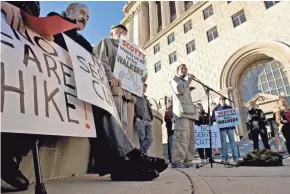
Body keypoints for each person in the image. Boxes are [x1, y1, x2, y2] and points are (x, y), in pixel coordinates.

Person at [49, 5, 168, 181]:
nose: (85, 19)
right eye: (82, 13)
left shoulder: (83, 41)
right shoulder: (55, 20)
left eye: (88, 17)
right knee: (103, 111)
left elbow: (93, 60)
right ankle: (130, 159)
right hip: (59, 84)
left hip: (84, 91)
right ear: (68, 11)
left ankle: (128, 160)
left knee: (104, 111)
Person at [94, 24, 132, 133]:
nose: (122, 33)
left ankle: (119, 149)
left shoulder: (127, 52)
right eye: (118, 31)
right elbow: (102, 60)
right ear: (112, 33)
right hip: (111, 86)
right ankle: (112, 149)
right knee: (113, 121)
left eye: (124, 32)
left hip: (124, 91)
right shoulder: (106, 42)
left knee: (123, 122)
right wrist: (111, 77)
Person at [170, 64, 197, 168]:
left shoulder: (185, 82)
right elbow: (179, 90)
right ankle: (177, 161)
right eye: (182, 68)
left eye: (186, 68)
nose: (185, 70)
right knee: (181, 138)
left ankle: (187, 160)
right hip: (182, 114)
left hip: (190, 114)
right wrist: (188, 80)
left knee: (190, 139)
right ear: (177, 71)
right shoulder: (175, 80)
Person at [212, 97, 239, 163]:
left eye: (224, 100)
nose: (223, 101)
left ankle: (235, 157)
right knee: (223, 143)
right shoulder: (216, 109)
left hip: (230, 127)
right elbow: (212, 118)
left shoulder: (229, 107)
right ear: (219, 101)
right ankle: (224, 157)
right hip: (222, 128)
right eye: (222, 100)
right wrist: (215, 118)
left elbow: (234, 116)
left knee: (232, 142)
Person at [134, 84, 154, 153]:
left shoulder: (147, 100)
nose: (144, 89)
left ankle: (141, 153)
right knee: (142, 139)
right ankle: (143, 155)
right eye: (143, 87)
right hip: (140, 120)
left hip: (148, 121)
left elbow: (149, 110)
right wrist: (137, 118)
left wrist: (151, 119)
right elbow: (132, 108)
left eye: (145, 88)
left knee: (150, 138)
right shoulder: (136, 97)